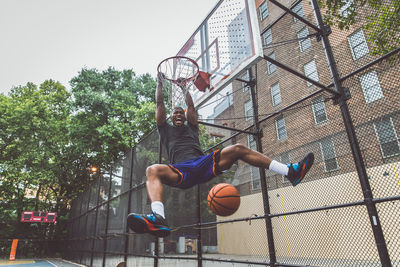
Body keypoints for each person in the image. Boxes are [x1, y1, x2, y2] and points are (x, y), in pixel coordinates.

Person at [127, 74, 314, 237]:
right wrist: (159, 84)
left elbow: (190, 106)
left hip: (203, 163)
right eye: (174, 113)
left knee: (238, 148)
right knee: (152, 170)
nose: (178, 114)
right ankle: (159, 218)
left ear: (184, 117)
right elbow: (159, 104)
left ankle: (290, 172)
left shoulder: (191, 127)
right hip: (181, 171)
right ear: (170, 117)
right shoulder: (164, 130)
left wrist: (184, 89)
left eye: (180, 113)